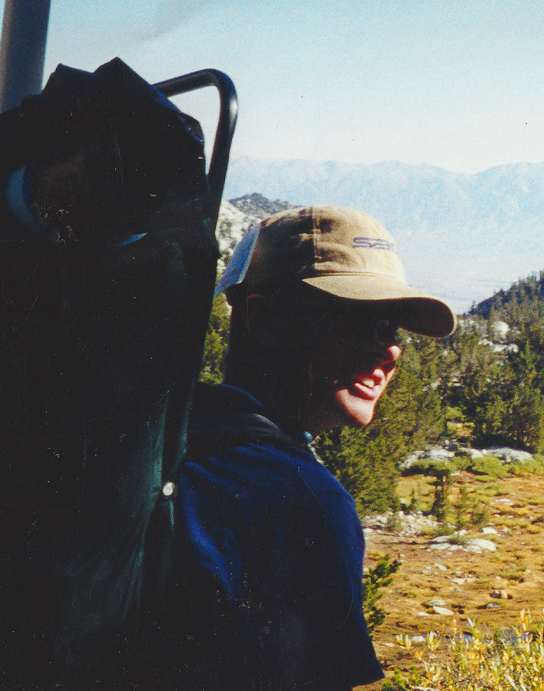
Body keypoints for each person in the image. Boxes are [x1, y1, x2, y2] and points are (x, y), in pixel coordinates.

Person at [158, 206, 455, 690]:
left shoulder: (173, 434)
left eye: (393, 329)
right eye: (364, 319)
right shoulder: (305, 501)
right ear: (266, 319)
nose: (392, 350)